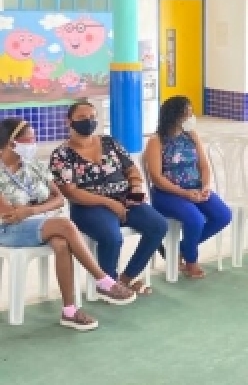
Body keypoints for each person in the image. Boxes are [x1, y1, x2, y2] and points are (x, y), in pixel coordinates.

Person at [0, 118, 135, 329]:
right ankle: (104, 280)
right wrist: (41, 206)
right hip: (7, 229)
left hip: (40, 222)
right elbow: (9, 214)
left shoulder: (33, 165)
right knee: (64, 225)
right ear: (11, 142)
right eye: (30, 139)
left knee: (62, 243)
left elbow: (58, 198)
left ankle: (69, 311)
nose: (34, 143)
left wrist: (32, 209)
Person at [50, 100, 169, 295]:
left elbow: (131, 169)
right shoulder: (61, 154)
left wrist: (136, 190)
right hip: (88, 207)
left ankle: (126, 279)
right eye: (81, 118)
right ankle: (108, 282)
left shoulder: (109, 142)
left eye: (92, 118)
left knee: (158, 225)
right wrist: (108, 203)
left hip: (124, 199)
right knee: (111, 237)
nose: (88, 122)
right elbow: (70, 191)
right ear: (68, 121)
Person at [144, 96, 232, 279]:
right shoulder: (156, 141)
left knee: (223, 215)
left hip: (196, 188)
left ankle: (182, 248)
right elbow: (157, 178)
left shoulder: (191, 136)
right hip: (167, 193)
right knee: (196, 220)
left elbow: (204, 166)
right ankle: (191, 261)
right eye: (187, 114)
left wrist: (206, 186)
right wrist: (184, 193)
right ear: (174, 116)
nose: (191, 117)